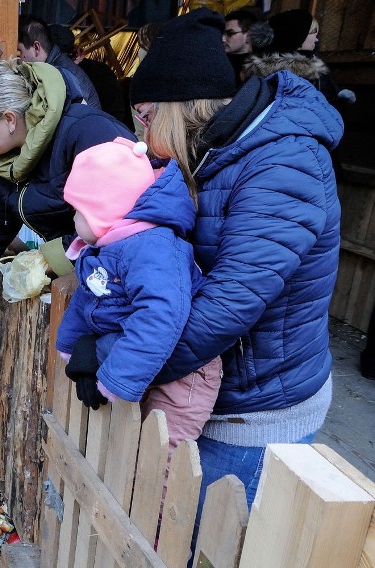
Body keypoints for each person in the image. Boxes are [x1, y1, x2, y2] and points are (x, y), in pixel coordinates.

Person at [129, 5, 343, 549]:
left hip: (259, 402)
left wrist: (128, 364)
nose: (142, 131)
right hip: (218, 386)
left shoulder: (281, 162)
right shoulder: (216, 152)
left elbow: (232, 302)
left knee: (208, 546)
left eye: (145, 117)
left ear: (175, 109)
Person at [0, 58, 134, 320]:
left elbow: (118, 217)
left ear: (9, 119)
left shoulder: (88, 133)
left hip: (123, 283)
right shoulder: (12, 158)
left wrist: (50, 259)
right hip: (82, 278)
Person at [55, 137, 222, 452]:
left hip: (185, 372)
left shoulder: (151, 249)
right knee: (130, 449)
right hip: (142, 356)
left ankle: (158, 502)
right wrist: (69, 344)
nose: (73, 220)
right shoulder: (109, 248)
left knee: (161, 452)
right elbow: (88, 299)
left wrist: (116, 378)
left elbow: (159, 316)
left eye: (79, 210)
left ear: (106, 210)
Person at [242, 9, 356, 110]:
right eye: (312, 33)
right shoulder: (289, 74)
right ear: (297, 37)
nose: (316, 39)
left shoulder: (311, 61)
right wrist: (337, 105)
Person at [18, 15, 102, 109]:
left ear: (37, 47)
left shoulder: (61, 74)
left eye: (19, 51)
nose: (17, 59)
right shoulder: (55, 64)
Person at [223, 8, 262, 83]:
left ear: (249, 35)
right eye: (222, 33)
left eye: (230, 33)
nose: (223, 39)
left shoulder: (263, 66)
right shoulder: (217, 60)